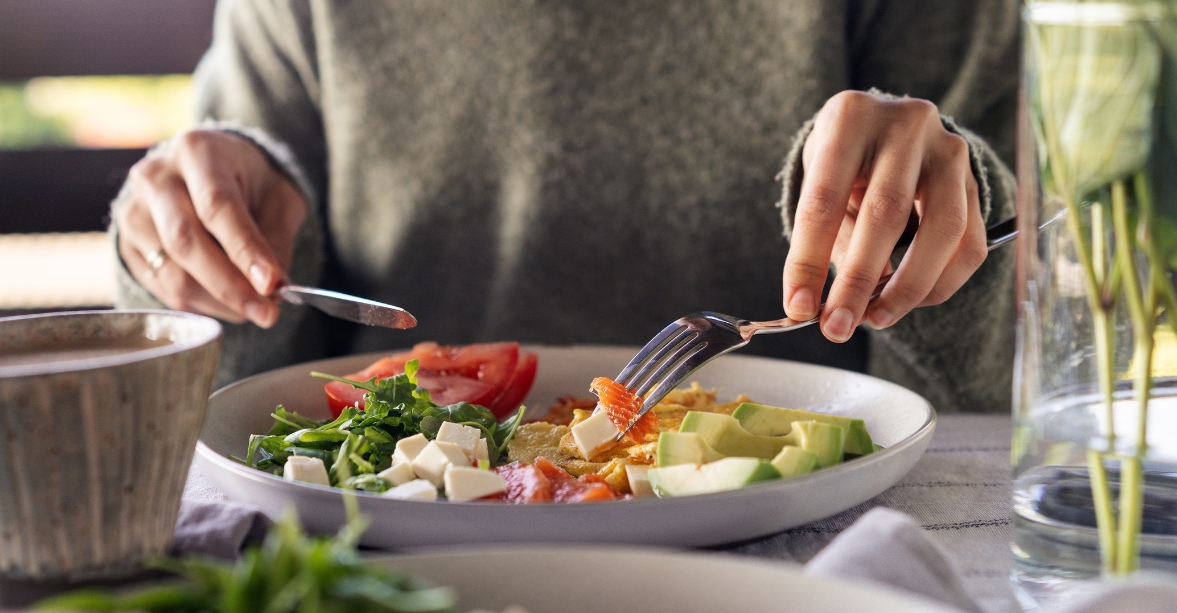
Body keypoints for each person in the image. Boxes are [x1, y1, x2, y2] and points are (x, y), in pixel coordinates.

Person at [110, 0, 1020, 412]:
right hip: (383, 555)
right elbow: (219, 403)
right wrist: (184, 256)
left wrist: (945, 223)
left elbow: (984, 408)